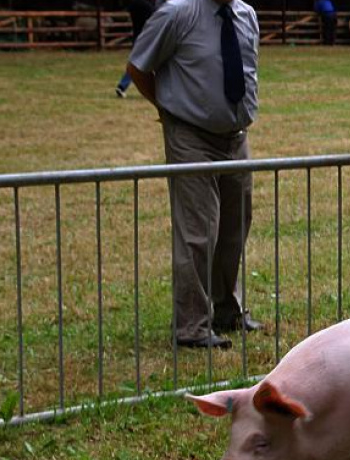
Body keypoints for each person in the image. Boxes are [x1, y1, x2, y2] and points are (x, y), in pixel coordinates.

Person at [126, 0, 261, 349]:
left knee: (235, 225)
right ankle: (191, 327)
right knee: (198, 231)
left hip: (236, 136)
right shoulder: (176, 14)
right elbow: (139, 68)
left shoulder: (246, 14)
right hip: (191, 136)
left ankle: (227, 310)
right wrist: (170, 109)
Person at [115, 0, 156, 98]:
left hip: (137, 37)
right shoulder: (147, 5)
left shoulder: (133, 4)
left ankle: (122, 86)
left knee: (137, 63)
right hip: (147, 37)